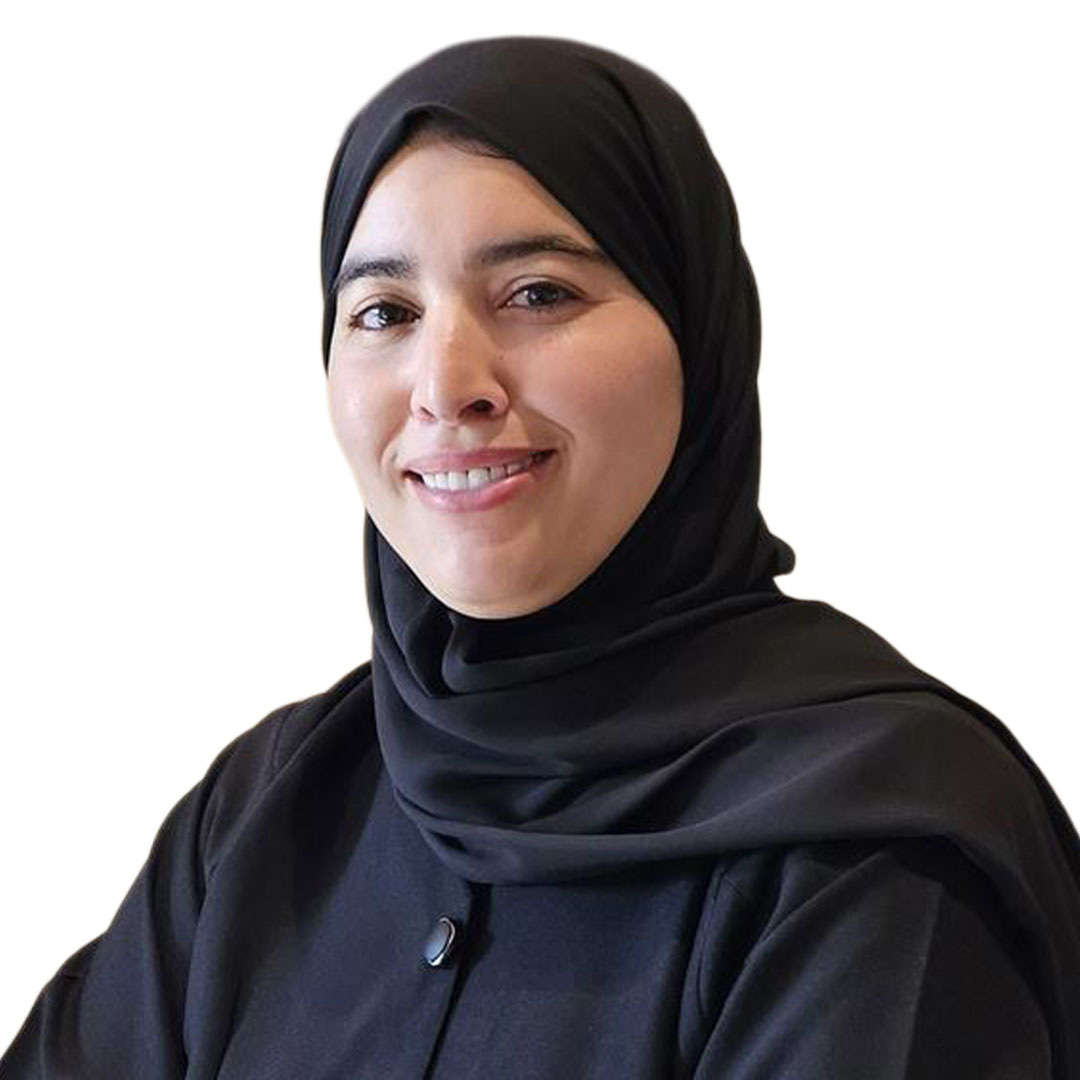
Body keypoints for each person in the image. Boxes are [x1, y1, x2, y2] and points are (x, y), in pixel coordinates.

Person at [3, 34, 1079, 1079]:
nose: (446, 385)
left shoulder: (878, 833)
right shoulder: (266, 807)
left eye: (538, 294)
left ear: (695, 330)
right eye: (384, 311)